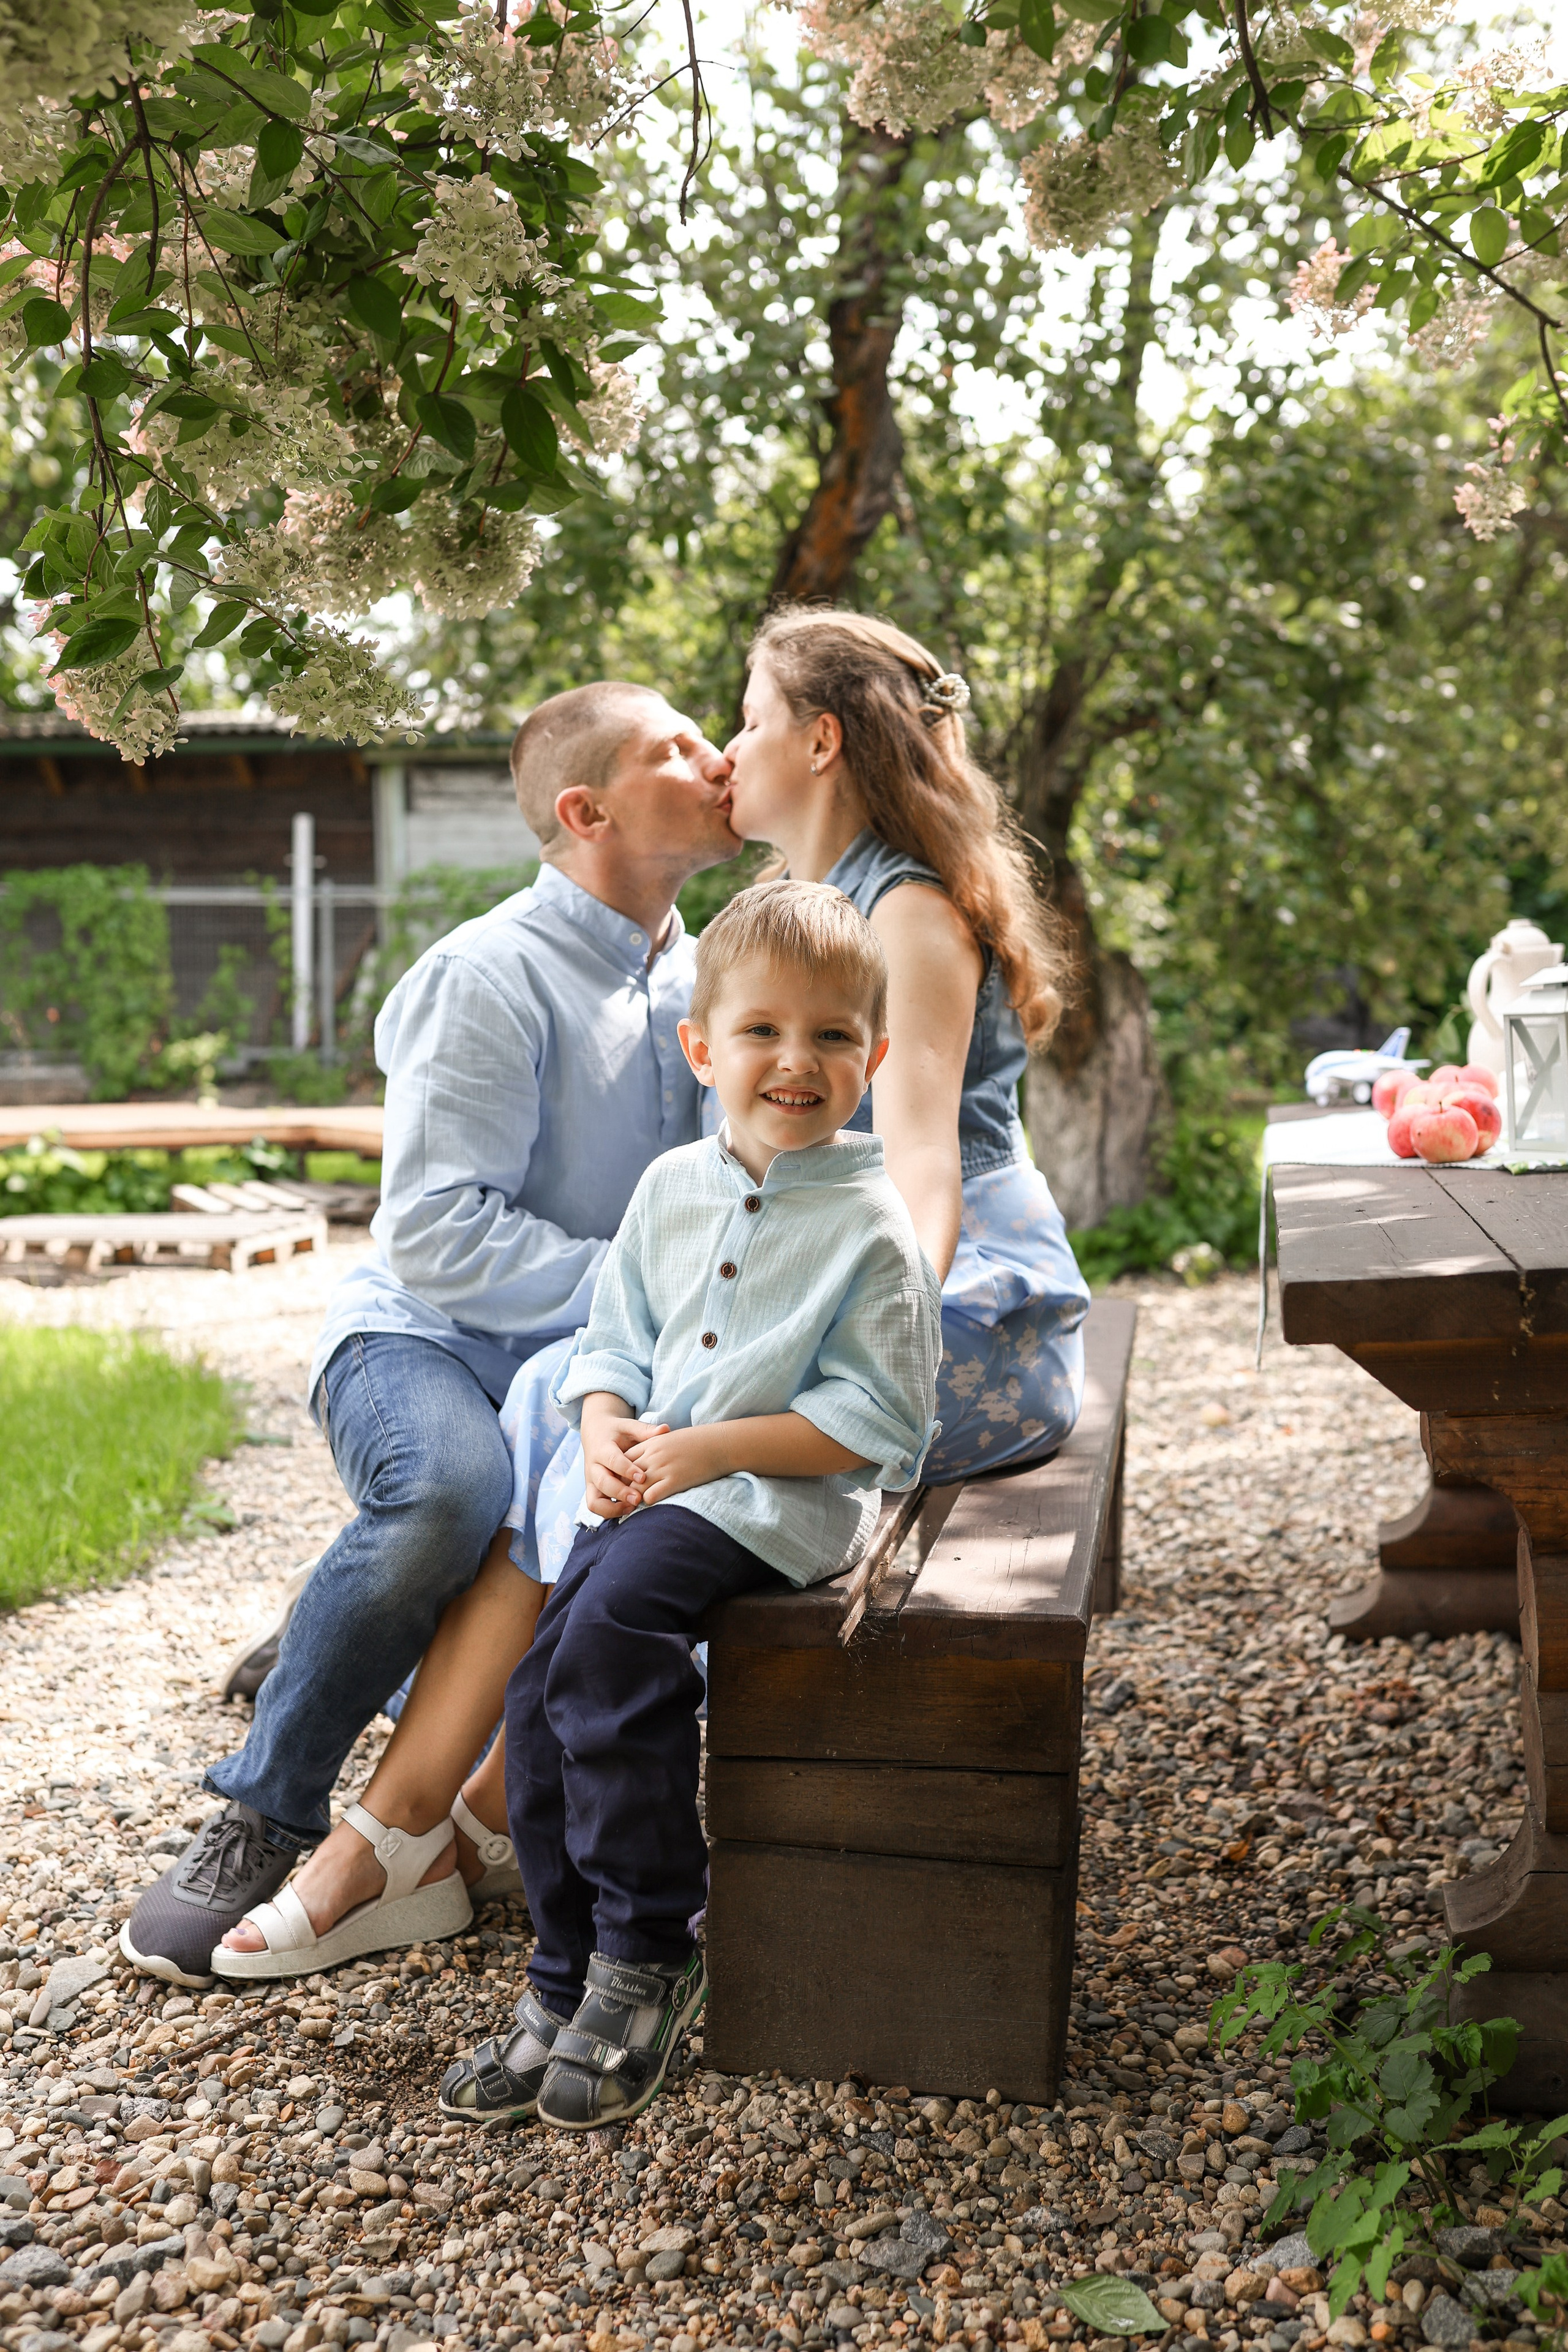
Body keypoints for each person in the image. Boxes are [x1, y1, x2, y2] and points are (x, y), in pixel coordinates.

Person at [119, 682, 737, 1987]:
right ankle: (263, 1811)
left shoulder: (706, 977)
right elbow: (439, 1237)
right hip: (426, 1343)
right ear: (586, 811)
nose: (717, 756)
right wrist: (642, 1293)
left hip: (583, 1362)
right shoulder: (487, 973)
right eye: (674, 747)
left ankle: (423, 1773)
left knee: (664, 1515)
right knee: (457, 1492)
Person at [435, 880, 941, 2129]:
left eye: (831, 1035)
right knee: (537, 1697)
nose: (795, 1059)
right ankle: (563, 1977)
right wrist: (606, 1429)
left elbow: (875, 1430)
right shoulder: (668, 1190)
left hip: (776, 1506)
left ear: (872, 1059)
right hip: (657, 1492)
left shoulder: (870, 1228)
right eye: (761, 1030)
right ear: (701, 1047)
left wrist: (709, 1451)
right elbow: (611, 1343)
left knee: (608, 1647)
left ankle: (649, 1948)